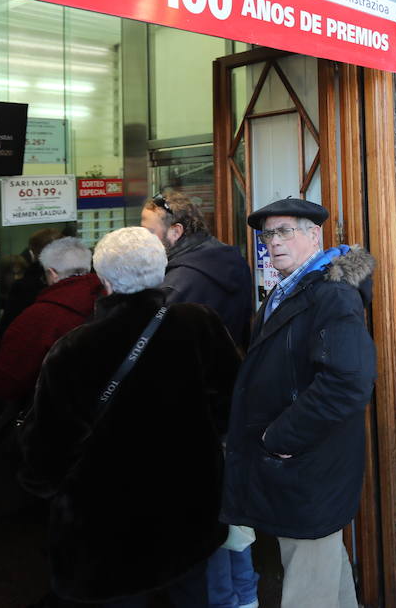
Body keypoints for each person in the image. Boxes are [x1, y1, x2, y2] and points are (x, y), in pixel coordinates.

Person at [19, 227, 241, 606]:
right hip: (189, 519)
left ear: (103, 281)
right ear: (161, 270)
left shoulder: (73, 350)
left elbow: (46, 459)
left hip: (107, 539)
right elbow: (231, 408)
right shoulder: (200, 324)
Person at [222, 198, 376, 608]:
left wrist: (279, 436)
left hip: (307, 466)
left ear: (314, 235)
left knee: (308, 588)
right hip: (298, 468)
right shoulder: (289, 287)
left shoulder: (331, 294)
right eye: (268, 234)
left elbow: (348, 382)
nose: (273, 242)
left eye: (285, 231)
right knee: (325, 572)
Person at [0, 237, 104, 405]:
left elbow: (4, 383)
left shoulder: (38, 318)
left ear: (53, 274)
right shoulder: (109, 300)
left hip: (55, 414)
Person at [142, 188, 253, 349]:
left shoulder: (175, 284)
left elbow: (155, 346)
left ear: (176, 231)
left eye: (149, 232)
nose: (143, 239)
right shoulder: (235, 261)